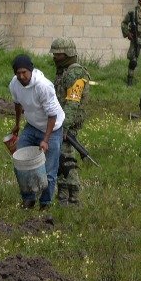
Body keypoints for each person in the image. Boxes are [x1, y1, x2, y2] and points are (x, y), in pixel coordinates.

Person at [9, 54, 65, 209]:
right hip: (32, 125)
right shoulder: (14, 84)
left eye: (24, 72)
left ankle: (45, 204)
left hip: (52, 128)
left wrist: (45, 140)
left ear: (30, 70)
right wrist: (17, 125)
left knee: (49, 169)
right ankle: (28, 199)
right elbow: (17, 104)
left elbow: (52, 115)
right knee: (20, 161)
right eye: (18, 73)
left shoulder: (43, 86)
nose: (21, 76)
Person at [50, 37, 91, 206]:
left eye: (58, 54)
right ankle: (63, 194)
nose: (54, 58)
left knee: (66, 158)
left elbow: (73, 103)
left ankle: (73, 196)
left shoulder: (75, 73)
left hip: (68, 123)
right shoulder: (64, 71)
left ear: (67, 54)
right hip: (60, 122)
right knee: (59, 157)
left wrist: (64, 127)